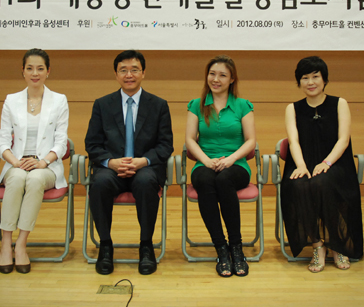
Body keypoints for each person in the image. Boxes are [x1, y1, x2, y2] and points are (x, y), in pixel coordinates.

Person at [85, 50, 174, 275]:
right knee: (99, 184)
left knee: (146, 183)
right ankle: (105, 246)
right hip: (111, 168)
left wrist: (143, 161)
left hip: (145, 168)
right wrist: (110, 162)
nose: (129, 75)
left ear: (143, 73)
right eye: (123, 70)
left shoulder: (158, 105)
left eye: (134, 70)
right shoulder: (102, 104)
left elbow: (165, 145)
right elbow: (92, 144)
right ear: (116, 74)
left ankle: (146, 246)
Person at [281, 56, 363, 273]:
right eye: (305, 78)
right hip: (303, 162)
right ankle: (318, 245)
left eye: (315, 76)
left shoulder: (339, 103)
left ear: (324, 79)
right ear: (299, 82)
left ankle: (337, 244)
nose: (310, 82)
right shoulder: (292, 108)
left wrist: (326, 162)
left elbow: (343, 139)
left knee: (322, 182)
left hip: (336, 163)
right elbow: (293, 141)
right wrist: (300, 166)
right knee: (298, 185)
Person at [0, 49, 69, 274]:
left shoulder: (59, 100)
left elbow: (61, 143)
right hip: (16, 163)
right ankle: (6, 244)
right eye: (30, 68)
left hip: (46, 166)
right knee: (17, 179)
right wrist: (16, 162)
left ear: (48, 71)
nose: (35, 73)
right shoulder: (11, 100)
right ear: (23, 71)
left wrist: (43, 162)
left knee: (35, 179)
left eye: (40, 68)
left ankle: (21, 244)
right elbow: (2, 142)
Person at [185, 55, 256, 277]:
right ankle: (221, 249)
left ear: (232, 79)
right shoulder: (196, 105)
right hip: (205, 162)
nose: (216, 79)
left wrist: (231, 159)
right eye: (212, 74)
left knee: (224, 179)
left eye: (222, 75)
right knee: (205, 180)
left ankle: (236, 247)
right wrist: (205, 160)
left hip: (236, 164)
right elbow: (189, 140)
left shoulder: (243, 105)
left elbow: (251, 141)